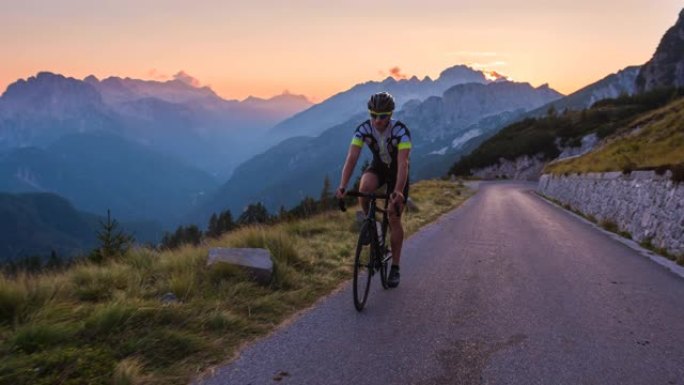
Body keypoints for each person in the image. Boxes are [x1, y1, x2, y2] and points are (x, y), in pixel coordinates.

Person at [335, 91, 412, 288]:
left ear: (391, 114)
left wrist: (398, 191)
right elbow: (351, 158)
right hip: (378, 168)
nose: (377, 120)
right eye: (373, 115)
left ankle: (395, 267)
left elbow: (403, 164)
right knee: (365, 187)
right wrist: (343, 186)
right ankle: (372, 226)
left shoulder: (401, 131)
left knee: (394, 218)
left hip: (397, 174)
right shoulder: (362, 130)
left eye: (383, 116)